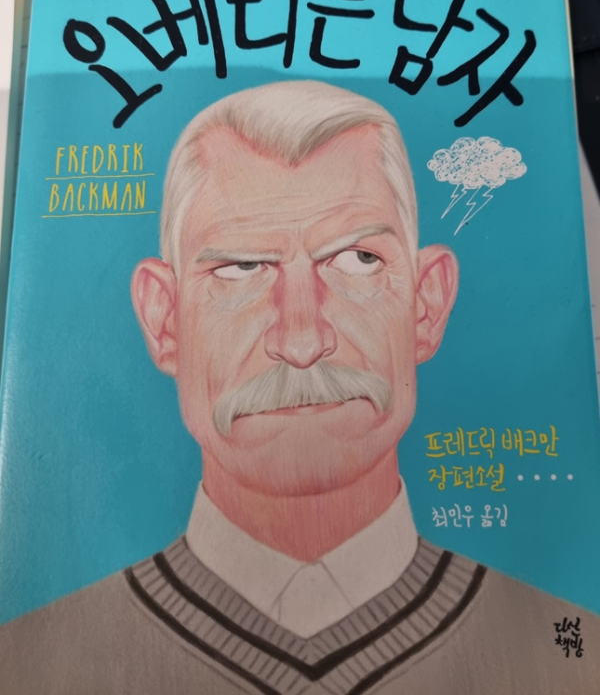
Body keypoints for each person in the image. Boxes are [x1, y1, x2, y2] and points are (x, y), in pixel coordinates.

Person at [1, 80, 599, 693]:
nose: (302, 340)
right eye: (241, 268)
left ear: (426, 303)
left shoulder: (576, 652)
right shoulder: (27, 666)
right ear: (164, 320)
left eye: (358, 259)